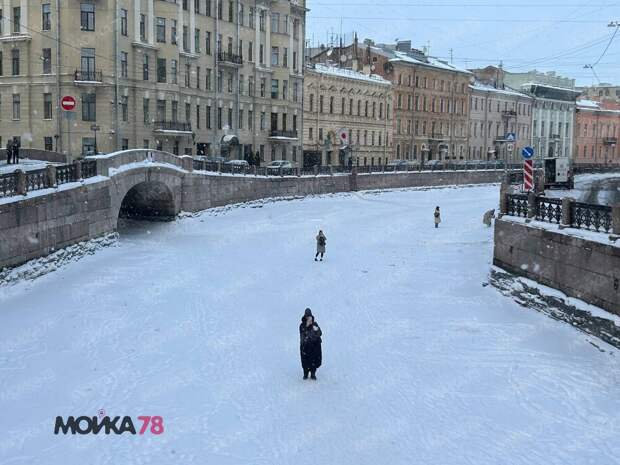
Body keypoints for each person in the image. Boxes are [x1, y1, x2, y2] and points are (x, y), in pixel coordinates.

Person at [299, 308, 322, 380]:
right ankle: (305, 373)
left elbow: (320, 333)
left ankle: (313, 373)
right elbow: (303, 336)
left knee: (314, 360)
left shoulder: (315, 324)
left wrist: (316, 330)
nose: (308, 318)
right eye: (307, 316)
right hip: (305, 346)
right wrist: (308, 328)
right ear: (305, 316)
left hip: (314, 347)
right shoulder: (302, 326)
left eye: (309, 316)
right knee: (305, 361)